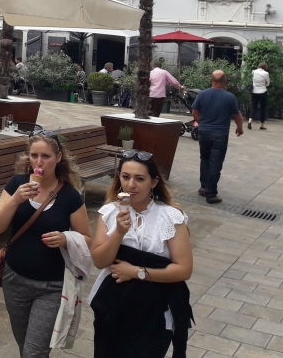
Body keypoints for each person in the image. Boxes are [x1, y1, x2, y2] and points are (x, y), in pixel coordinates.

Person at [0, 132, 92, 358]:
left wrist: (66, 238)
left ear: (58, 157)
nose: (39, 162)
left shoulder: (70, 196)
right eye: (34, 155)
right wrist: (15, 200)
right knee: (24, 346)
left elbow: (87, 238)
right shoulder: (17, 184)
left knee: (34, 352)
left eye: (45, 156)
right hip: (15, 279)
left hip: (52, 286)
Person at [89, 150, 194, 358]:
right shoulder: (109, 212)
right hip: (114, 304)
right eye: (125, 177)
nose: (131, 185)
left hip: (154, 307)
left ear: (153, 182)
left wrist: (137, 272)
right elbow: (100, 261)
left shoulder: (170, 216)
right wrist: (118, 232)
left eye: (139, 179)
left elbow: (184, 269)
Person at [191, 70, 243, 204]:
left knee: (205, 159)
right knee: (216, 163)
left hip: (204, 132)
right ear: (225, 81)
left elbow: (194, 112)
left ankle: (204, 186)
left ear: (211, 80)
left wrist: (202, 123)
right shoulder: (230, 97)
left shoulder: (202, 94)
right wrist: (239, 128)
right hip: (220, 134)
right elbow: (237, 116)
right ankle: (211, 193)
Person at [247, 61, 271, 131]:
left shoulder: (253, 72)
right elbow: (268, 83)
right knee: (262, 109)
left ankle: (250, 121)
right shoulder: (266, 73)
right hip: (263, 92)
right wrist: (264, 84)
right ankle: (262, 125)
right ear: (265, 67)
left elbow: (253, 80)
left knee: (254, 108)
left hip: (254, 92)